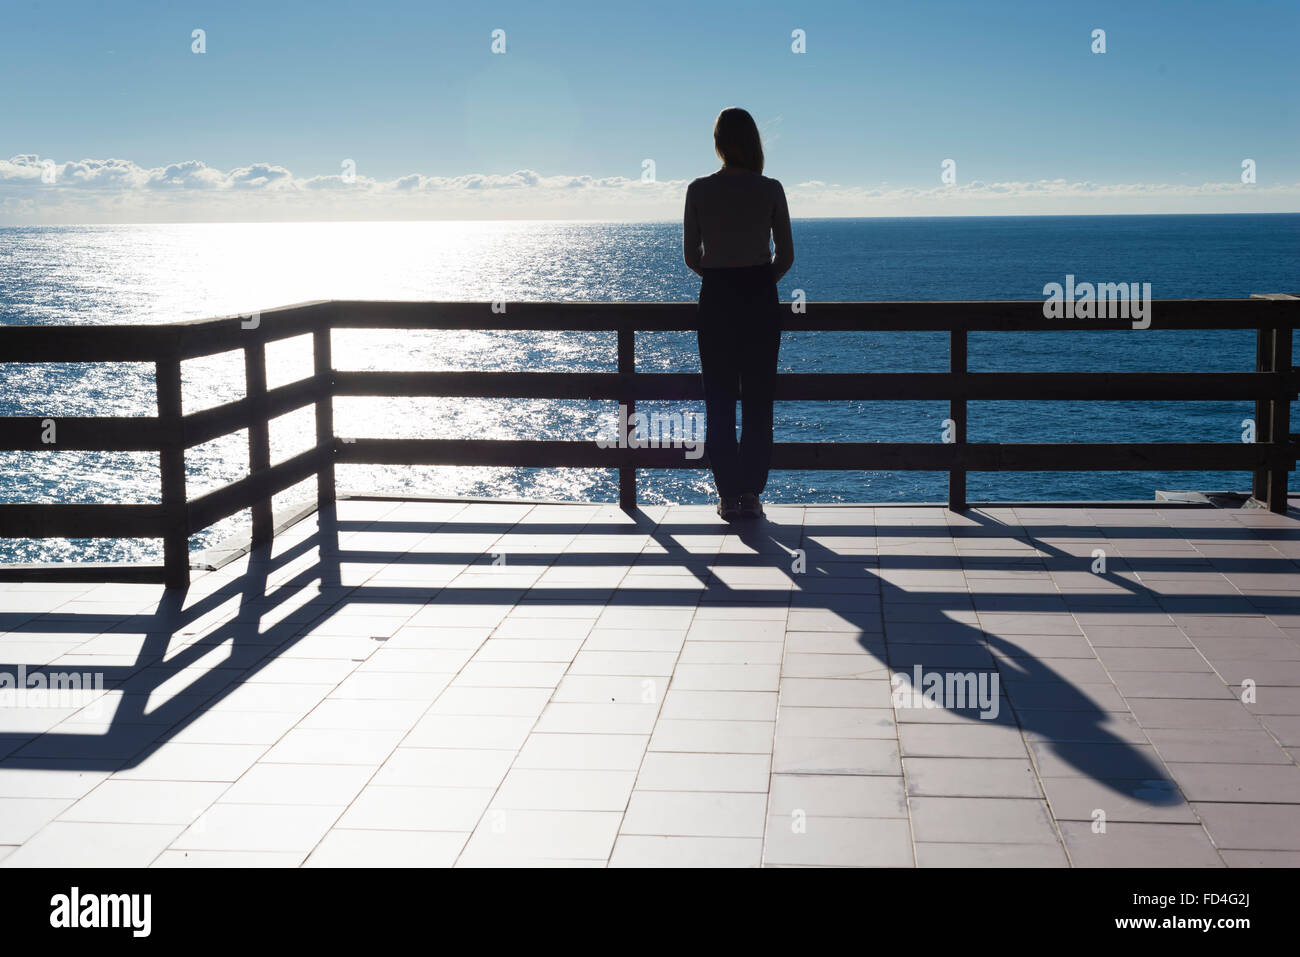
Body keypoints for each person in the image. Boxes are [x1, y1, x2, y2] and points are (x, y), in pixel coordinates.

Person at [683, 106, 794, 521]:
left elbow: (691, 256)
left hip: (717, 299)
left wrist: (719, 273)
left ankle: (728, 495)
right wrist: (761, 279)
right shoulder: (770, 189)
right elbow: (786, 255)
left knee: (720, 400)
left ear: (718, 143)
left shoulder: (698, 189)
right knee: (759, 401)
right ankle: (751, 494)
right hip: (759, 299)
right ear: (753, 142)